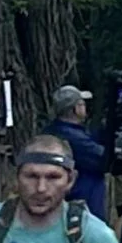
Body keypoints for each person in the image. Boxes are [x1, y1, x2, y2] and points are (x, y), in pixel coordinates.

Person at [47, 89, 110, 220]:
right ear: (74, 109)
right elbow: (105, 160)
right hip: (83, 201)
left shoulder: (53, 130)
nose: (85, 107)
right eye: (81, 104)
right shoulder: (75, 137)